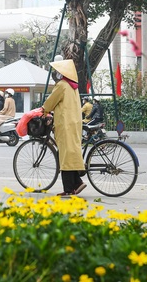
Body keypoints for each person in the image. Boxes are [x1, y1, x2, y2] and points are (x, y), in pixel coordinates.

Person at [41, 59, 87, 197]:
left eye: (57, 72)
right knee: (70, 154)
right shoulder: (73, 86)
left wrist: (44, 110)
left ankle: (69, 189)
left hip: (65, 124)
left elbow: (51, 101)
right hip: (74, 122)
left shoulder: (62, 85)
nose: (56, 74)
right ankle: (77, 183)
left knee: (65, 156)